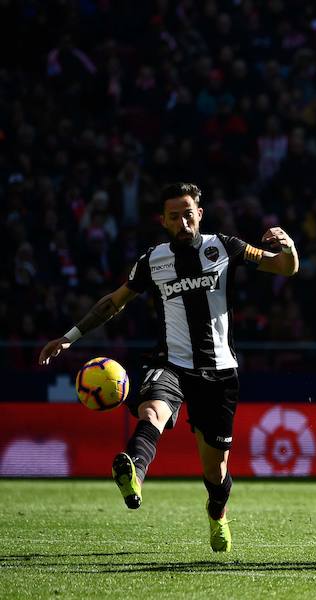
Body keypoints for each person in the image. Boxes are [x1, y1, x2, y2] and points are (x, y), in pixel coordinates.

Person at [38, 182, 299, 553]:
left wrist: (288, 247)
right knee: (152, 410)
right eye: (174, 216)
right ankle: (134, 474)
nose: (183, 221)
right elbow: (115, 302)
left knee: (216, 471)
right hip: (171, 364)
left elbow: (285, 268)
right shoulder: (153, 260)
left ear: (200, 214)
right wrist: (70, 337)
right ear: (163, 221)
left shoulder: (225, 247)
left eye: (188, 213)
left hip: (220, 373)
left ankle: (217, 514)